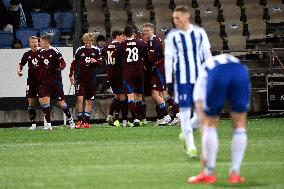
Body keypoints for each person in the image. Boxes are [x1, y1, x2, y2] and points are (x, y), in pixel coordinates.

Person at [188, 54, 250, 184]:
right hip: (241, 70)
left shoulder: (200, 78)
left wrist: (205, 152)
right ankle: (235, 174)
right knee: (240, 122)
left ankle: (209, 172)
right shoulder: (214, 62)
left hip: (218, 72)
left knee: (210, 122)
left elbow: (203, 120)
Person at [164, 6, 212, 158]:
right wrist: (169, 81)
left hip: (200, 79)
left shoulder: (199, 33)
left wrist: (211, 74)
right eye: (173, 18)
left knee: (202, 112)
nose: (175, 21)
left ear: (186, 17)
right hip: (182, 80)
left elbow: (207, 55)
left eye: (177, 17)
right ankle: (191, 147)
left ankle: (187, 131)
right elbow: (168, 59)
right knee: (184, 112)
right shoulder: (172, 36)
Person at [38, 34, 75, 130]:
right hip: (46, 82)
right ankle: (49, 125)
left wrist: (60, 68)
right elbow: (41, 67)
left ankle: (70, 120)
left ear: (45, 42)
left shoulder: (55, 51)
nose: (39, 43)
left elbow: (63, 62)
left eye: (40, 41)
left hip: (56, 82)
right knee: (46, 101)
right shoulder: (41, 52)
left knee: (61, 103)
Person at [69, 33, 103, 129]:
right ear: (84, 42)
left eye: (90, 42)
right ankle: (79, 120)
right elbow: (73, 63)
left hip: (91, 79)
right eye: (86, 42)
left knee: (88, 100)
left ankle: (86, 122)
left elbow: (101, 64)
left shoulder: (96, 50)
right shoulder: (80, 50)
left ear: (92, 41)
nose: (88, 44)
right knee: (79, 99)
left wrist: (95, 61)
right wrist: (70, 75)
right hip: (80, 78)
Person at [142, 23, 172, 125]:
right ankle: (161, 117)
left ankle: (168, 116)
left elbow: (159, 57)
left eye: (147, 30)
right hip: (155, 70)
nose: (145, 32)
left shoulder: (156, 41)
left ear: (152, 31)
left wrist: (153, 64)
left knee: (156, 94)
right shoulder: (150, 41)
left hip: (159, 71)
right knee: (158, 94)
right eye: (144, 30)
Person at [119, 25, 147, 127]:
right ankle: (140, 118)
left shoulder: (122, 44)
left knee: (130, 96)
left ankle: (135, 119)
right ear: (133, 33)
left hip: (128, 73)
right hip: (139, 72)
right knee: (139, 96)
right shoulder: (140, 42)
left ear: (125, 34)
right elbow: (146, 53)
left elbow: (116, 56)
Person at [102, 30, 128, 127]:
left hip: (110, 75)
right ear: (117, 36)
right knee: (122, 97)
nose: (123, 38)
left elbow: (103, 55)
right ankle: (123, 121)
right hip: (119, 74)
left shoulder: (106, 47)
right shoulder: (120, 46)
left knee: (117, 96)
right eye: (122, 36)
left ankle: (110, 116)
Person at [17, 36, 41, 130]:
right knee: (31, 103)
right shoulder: (27, 54)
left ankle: (47, 122)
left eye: (36, 42)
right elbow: (21, 64)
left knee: (44, 101)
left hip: (42, 81)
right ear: (29, 43)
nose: (34, 43)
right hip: (31, 81)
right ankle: (33, 124)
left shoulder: (42, 52)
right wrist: (19, 70)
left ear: (38, 43)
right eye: (32, 42)